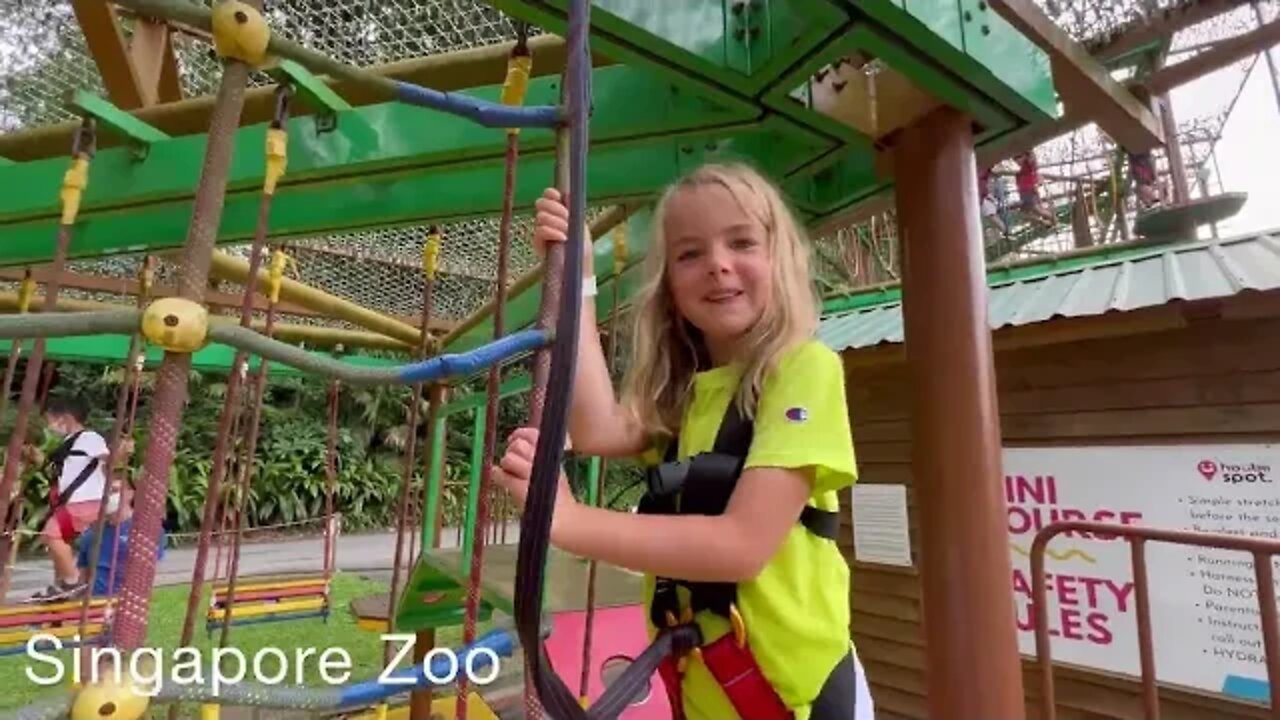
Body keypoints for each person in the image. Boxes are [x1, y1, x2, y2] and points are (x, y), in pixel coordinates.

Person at [493, 162, 875, 720]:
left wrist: (570, 522)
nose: (718, 265)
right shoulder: (688, 395)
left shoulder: (803, 370)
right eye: (690, 254)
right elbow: (599, 428)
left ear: (780, 260)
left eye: (742, 242)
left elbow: (743, 545)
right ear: (671, 284)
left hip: (799, 699)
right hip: (706, 694)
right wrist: (577, 279)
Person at [28, 396, 119, 601]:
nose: (50, 426)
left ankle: (72, 581)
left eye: (51, 420)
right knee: (55, 540)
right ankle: (64, 584)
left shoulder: (90, 438)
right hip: (74, 503)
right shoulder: (70, 443)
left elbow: (107, 460)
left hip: (86, 502)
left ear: (66, 418)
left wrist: (117, 461)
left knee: (52, 535)